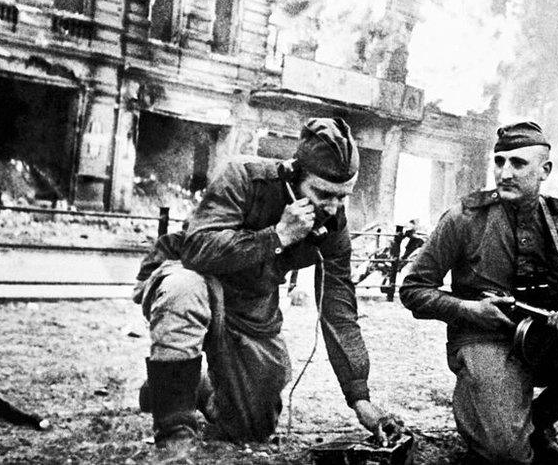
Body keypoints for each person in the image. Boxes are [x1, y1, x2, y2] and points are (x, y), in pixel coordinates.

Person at [134, 118, 403, 454]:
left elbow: (339, 308)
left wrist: (359, 397)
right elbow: (197, 248)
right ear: (293, 177)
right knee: (183, 291)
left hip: (250, 306)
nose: (331, 208)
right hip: (193, 274)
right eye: (322, 193)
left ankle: (176, 383)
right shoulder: (243, 176)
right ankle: (175, 432)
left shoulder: (334, 224)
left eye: (342, 197)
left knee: (252, 427)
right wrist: (277, 237)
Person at [399, 121, 558, 464]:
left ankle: (537, 423)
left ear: (545, 170)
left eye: (518, 163)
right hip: (485, 339)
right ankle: (502, 424)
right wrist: (470, 310)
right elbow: (413, 290)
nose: (505, 173)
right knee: (505, 454)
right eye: (499, 162)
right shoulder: (464, 219)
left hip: (547, 339)